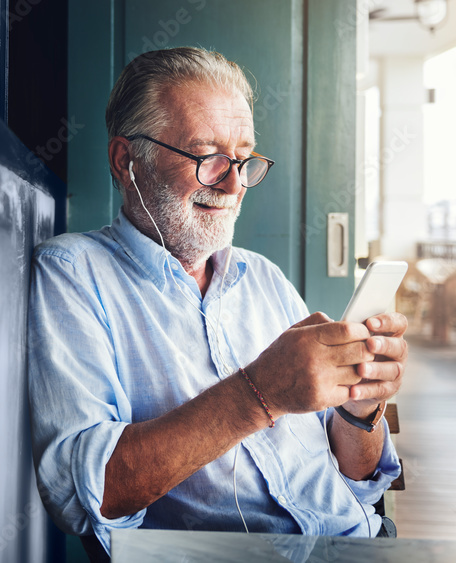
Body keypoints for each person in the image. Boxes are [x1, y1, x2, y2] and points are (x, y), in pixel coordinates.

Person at [27, 47, 406, 558]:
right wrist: (261, 392)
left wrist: (361, 414)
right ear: (126, 160)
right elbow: (84, 497)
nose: (233, 185)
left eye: (244, 160)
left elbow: (360, 478)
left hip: (358, 544)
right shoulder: (73, 273)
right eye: (208, 158)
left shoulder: (263, 278)